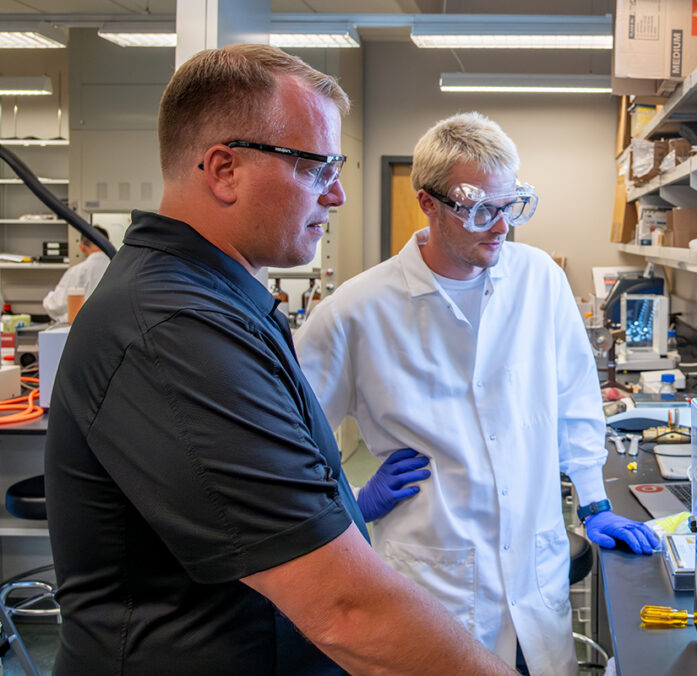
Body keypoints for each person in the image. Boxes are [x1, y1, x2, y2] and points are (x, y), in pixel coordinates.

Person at [44, 46, 516, 676]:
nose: (339, 194)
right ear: (224, 170)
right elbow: (343, 607)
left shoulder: (222, 303)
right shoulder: (174, 331)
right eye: (317, 168)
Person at [295, 112, 660, 675]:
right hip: (432, 588)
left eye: (510, 206)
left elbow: (576, 400)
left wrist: (594, 503)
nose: (500, 226)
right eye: (481, 208)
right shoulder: (355, 311)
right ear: (429, 202)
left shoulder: (540, 280)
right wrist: (354, 501)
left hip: (535, 580)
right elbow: (286, 447)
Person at [41, 226, 111, 322]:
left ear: (82, 247)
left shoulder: (77, 271)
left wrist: (49, 298)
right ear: (109, 244)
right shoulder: (120, 269)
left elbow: (56, 305)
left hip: (81, 328)